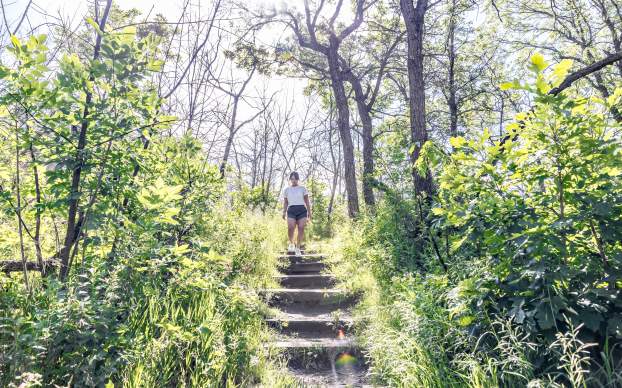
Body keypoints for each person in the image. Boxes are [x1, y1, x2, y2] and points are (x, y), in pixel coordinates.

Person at [282, 171, 311, 256]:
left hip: (302, 210)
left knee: (301, 228)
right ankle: (291, 243)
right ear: (290, 179)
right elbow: (286, 202)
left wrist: (309, 213)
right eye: (292, 179)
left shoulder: (303, 189)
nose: (293, 180)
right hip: (291, 210)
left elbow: (307, 202)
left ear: (298, 179)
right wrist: (284, 212)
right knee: (290, 227)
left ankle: (298, 248)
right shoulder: (286, 190)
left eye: (295, 179)